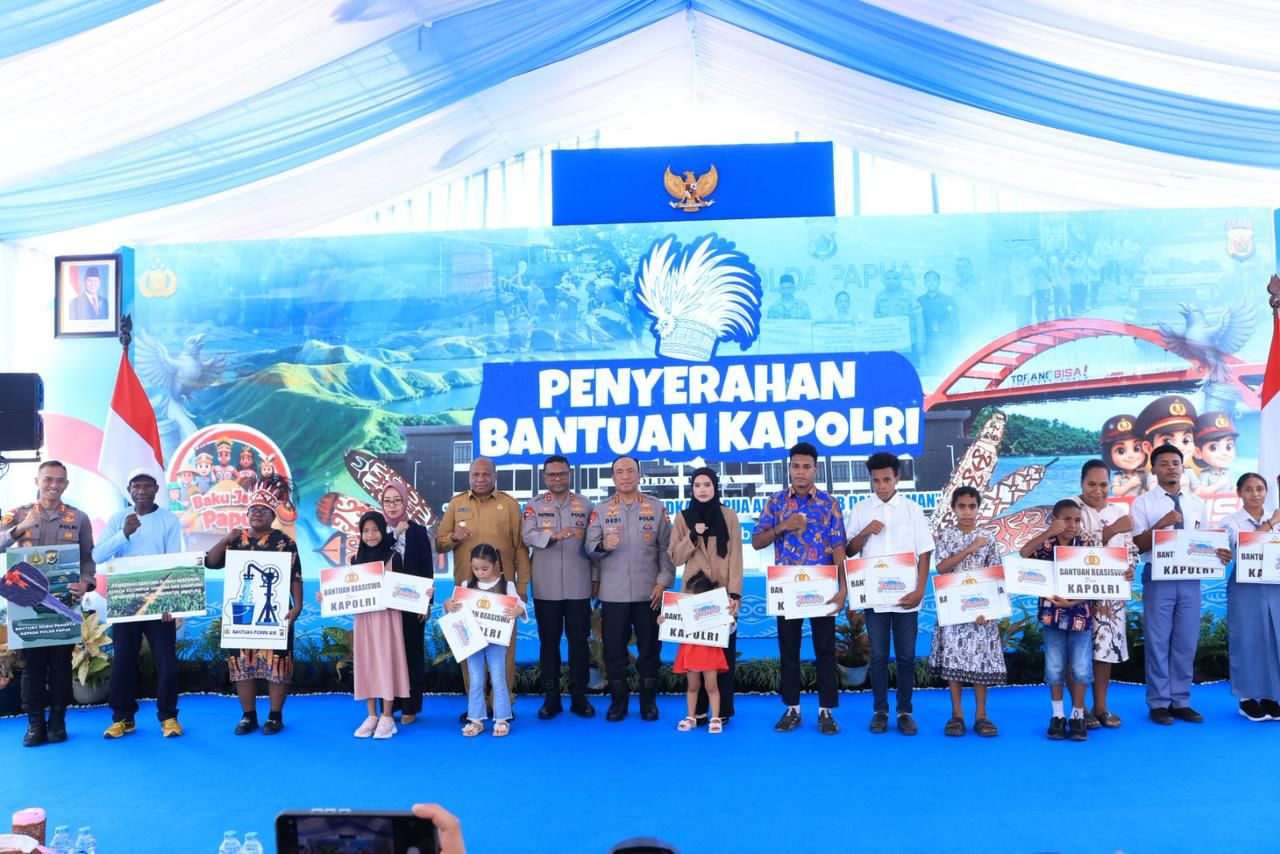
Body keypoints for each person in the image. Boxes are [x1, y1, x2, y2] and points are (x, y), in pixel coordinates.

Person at [1131, 443, 1231, 725]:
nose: (1171, 468)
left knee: (1186, 642)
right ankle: (1158, 703)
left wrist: (1220, 554)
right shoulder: (1143, 503)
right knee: (1158, 642)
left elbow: (1205, 543)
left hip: (1190, 578)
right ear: (1154, 469)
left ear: (1182, 467)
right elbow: (1137, 545)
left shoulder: (1197, 504)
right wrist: (1162, 523)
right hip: (1158, 577)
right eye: (1164, 464)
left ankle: (1181, 701)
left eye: (1175, 463)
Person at [752, 442, 847, 734]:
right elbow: (756, 542)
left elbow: (839, 547)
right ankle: (792, 709)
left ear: (815, 469)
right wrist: (782, 526)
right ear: (789, 468)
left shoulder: (829, 503)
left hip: (823, 587)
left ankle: (826, 712)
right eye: (796, 466)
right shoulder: (776, 502)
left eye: (807, 467)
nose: (801, 471)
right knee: (789, 650)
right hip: (787, 588)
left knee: (825, 650)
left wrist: (843, 588)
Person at [0, 461, 96, 747]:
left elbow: (88, 559)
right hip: (26, 604)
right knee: (32, 666)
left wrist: (85, 583)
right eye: (48, 479)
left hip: (64, 603)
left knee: (61, 665)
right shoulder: (18, 513)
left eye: (60, 480)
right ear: (37, 481)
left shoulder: (79, 518)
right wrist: (20, 528)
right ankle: (34, 724)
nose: (54, 484)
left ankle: (57, 722)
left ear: (66, 484)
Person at [204, 476, 304, 735]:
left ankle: (275, 716)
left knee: (276, 664)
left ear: (273, 515)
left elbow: (295, 577)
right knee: (242, 664)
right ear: (247, 514)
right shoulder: (236, 539)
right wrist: (226, 537)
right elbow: (211, 562)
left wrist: (298, 607)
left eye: (264, 510)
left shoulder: (285, 542)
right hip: (242, 615)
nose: (258, 513)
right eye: (253, 509)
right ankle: (248, 716)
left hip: (276, 613)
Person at [92, 469, 186, 739]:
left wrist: (170, 603)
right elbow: (97, 555)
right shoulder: (118, 519)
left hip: (159, 602)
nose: (142, 490)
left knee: (166, 662)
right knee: (123, 661)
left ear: (156, 489)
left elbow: (172, 561)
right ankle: (123, 718)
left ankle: (168, 716)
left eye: (147, 485)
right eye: (137, 486)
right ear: (129, 490)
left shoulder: (168, 519)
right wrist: (124, 533)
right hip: (125, 600)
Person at [846, 451, 934, 736]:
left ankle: (905, 711)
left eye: (886, 479)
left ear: (897, 477)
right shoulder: (861, 509)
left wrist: (920, 590)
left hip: (907, 597)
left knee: (906, 656)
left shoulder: (912, 510)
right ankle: (880, 711)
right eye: (876, 480)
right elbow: (849, 550)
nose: (881, 485)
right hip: (875, 598)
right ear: (870, 480)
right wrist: (865, 532)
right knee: (879, 656)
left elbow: (925, 552)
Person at [435, 457, 530, 721]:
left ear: (495, 476)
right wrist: (453, 537)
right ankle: (476, 706)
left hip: (502, 592)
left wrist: (522, 587)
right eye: (475, 474)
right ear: (469, 476)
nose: (480, 479)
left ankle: (502, 706)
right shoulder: (456, 504)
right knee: (469, 647)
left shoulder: (509, 505)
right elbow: (439, 544)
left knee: (504, 651)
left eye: (485, 474)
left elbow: (521, 547)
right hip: (467, 591)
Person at [585, 456, 675, 722]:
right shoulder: (601, 510)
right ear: (613, 477)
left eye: (630, 471)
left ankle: (649, 703)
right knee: (614, 650)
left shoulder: (656, 507)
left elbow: (666, 548)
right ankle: (618, 702)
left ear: (639, 475)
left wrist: (663, 581)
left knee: (650, 650)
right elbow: (589, 547)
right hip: (614, 594)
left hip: (650, 593)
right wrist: (603, 545)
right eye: (619, 472)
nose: (625, 476)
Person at [318, 511, 410, 739]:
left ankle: (387, 717)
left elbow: (405, 589)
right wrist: (327, 595)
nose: (370, 535)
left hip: (387, 621)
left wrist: (422, 594)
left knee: (386, 664)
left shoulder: (394, 557)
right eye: (365, 531)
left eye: (375, 530)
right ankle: (371, 716)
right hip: (364, 621)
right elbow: (344, 590)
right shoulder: (355, 561)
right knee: (367, 663)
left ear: (383, 531)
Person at [522, 455, 597, 719]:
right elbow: (527, 535)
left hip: (579, 585)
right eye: (552, 474)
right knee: (549, 644)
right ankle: (551, 698)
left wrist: (596, 578)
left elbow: (594, 543)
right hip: (546, 586)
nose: (557, 478)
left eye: (562, 473)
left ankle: (580, 697)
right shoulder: (534, 505)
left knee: (579, 643)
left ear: (570, 474)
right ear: (544, 477)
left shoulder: (585, 505)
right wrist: (551, 537)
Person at [669, 467, 744, 727]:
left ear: (715, 487)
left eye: (707, 485)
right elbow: (675, 557)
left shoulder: (729, 515)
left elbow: (736, 556)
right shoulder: (683, 518)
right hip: (694, 598)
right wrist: (693, 535)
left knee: (722, 655)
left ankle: (721, 712)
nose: (702, 490)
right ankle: (698, 712)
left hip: (723, 597)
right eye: (698, 485)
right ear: (692, 489)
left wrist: (735, 594)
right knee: (696, 657)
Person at [928, 486, 1005, 737]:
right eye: (962, 506)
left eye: (972, 506)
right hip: (954, 610)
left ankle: (981, 715)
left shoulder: (988, 537)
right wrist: (971, 548)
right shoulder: (945, 535)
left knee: (980, 662)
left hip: (981, 611)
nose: (967, 511)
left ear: (978, 508)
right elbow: (942, 568)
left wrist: (990, 610)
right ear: (953, 508)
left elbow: (995, 575)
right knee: (954, 661)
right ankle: (957, 714)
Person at [1020, 499, 1094, 741]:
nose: (1072, 524)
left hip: (1080, 616)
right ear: (1055, 520)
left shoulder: (1087, 545)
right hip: (1052, 617)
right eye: (1066, 519)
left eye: (1077, 520)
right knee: (1054, 668)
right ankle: (1058, 715)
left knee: (1081, 668)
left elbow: (1096, 581)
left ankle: (1078, 715)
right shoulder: (1046, 544)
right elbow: (1023, 553)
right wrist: (1047, 533)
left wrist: (1072, 603)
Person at [1071, 459, 1137, 729]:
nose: (1097, 490)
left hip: (1111, 595)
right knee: (1077, 651)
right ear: (1081, 483)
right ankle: (1079, 708)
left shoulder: (1119, 510)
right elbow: (1075, 544)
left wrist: (1131, 566)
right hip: (1077, 593)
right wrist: (1114, 529)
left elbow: (1130, 547)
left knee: (1105, 651)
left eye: (1103, 485)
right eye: (1091, 484)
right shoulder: (1070, 507)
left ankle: (1101, 707)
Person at [445, 544, 526, 737]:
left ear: (495, 564)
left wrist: (518, 610)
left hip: (496, 642)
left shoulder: (506, 585)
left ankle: (502, 718)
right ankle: (475, 719)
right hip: (472, 641)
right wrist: (448, 604)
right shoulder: (466, 585)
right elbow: (451, 606)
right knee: (475, 679)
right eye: (475, 569)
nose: (480, 573)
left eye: (484, 568)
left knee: (498, 678)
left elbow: (521, 605)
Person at [1222, 473, 1280, 721]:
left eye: (1260, 489)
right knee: (1247, 639)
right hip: (1245, 586)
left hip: (1275, 584)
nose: (1255, 494)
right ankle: (1247, 699)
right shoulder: (1231, 521)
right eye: (1248, 489)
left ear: (1266, 492)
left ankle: (1270, 696)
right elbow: (1242, 547)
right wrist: (1272, 523)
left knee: (1274, 639)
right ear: (1239, 493)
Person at [381, 480, 434, 725]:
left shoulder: (418, 532)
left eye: (397, 500)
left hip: (412, 604)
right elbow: (369, 560)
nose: (392, 506)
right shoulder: (377, 531)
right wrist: (394, 534)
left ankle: (410, 707)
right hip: (384, 607)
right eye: (387, 501)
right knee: (387, 656)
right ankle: (388, 707)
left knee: (412, 655)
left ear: (405, 502)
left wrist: (426, 603)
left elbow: (426, 569)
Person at [671, 571, 729, 734]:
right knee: (693, 686)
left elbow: (728, 628)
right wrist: (663, 620)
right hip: (691, 651)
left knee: (711, 686)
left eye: (691, 596)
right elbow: (671, 624)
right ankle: (691, 717)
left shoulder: (716, 611)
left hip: (709, 651)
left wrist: (729, 618)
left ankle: (715, 718)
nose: (688, 599)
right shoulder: (683, 611)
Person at [1137, 395, 1200, 493]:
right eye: (1168, 442)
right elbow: (1154, 491)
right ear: (1149, 448)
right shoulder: (1156, 472)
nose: (1180, 447)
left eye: (1186, 440)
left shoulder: (1188, 471)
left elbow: (1198, 491)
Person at [1100, 414, 1148, 497]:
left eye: (1137, 448)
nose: (1131, 456)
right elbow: (1116, 492)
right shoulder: (1118, 476)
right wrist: (1130, 484)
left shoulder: (1143, 474)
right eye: (1121, 451)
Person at [1192, 412, 1238, 498]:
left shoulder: (1227, 472)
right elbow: (1200, 492)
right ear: (1198, 452)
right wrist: (1218, 484)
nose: (1224, 453)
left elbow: (1235, 487)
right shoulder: (1205, 474)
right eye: (1214, 447)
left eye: (1229, 446)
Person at [917, 270, 955, 373]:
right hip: (929, 340)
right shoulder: (920, 301)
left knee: (948, 370)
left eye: (934, 279)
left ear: (939, 282)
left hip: (946, 339)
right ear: (924, 283)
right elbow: (918, 324)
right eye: (928, 280)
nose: (931, 282)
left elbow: (954, 322)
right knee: (932, 369)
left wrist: (955, 341)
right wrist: (920, 342)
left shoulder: (948, 300)